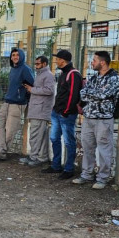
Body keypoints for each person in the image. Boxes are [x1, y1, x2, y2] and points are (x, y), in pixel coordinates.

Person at [72, 51, 119, 189]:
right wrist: (94, 94)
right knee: (87, 147)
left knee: (104, 149)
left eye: (94, 60)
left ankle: (103, 178)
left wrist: (91, 93)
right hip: (89, 117)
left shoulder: (113, 78)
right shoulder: (94, 78)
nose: (91, 63)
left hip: (104, 119)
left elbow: (104, 95)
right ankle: (86, 174)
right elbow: (83, 93)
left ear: (102, 62)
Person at [41, 49, 82, 179]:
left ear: (62, 60)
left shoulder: (73, 74)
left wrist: (66, 111)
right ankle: (56, 165)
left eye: (57, 59)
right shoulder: (63, 73)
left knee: (69, 142)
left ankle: (69, 169)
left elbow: (73, 95)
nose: (56, 61)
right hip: (57, 112)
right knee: (54, 138)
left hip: (66, 114)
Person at [0, 48, 34, 161]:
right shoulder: (13, 69)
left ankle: (2, 152)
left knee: (10, 129)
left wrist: (23, 95)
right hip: (7, 101)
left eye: (17, 55)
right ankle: (0, 150)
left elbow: (33, 84)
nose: (15, 57)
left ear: (21, 56)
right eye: (13, 55)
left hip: (17, 104)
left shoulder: (25, 69)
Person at [20, 55, 55, 166]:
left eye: (38, 64)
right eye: (35, 64)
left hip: (41, 110)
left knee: (35, 134)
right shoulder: (41, 75)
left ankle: (34, 157)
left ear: (44, 64)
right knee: (40, 135)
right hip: (37, 109)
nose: (36, 66)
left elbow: (49, 90)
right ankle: (41, 157)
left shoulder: (48, 75)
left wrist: (32, 89)